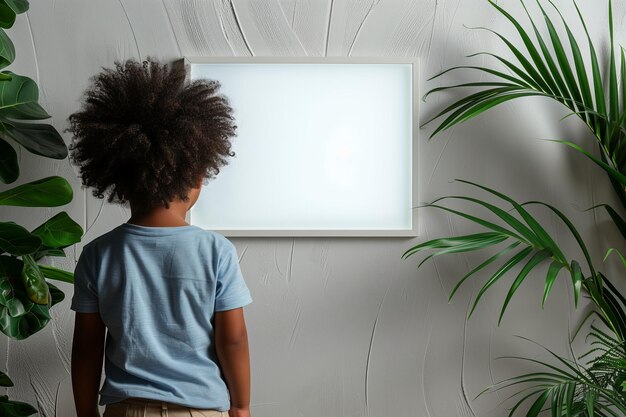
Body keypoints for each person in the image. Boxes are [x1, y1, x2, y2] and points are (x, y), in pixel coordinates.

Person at [66, 57, 252, 417]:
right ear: (198, 175)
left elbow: (87, 348)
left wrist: (86, 414)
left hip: (125, 411)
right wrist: (241, 406)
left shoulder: (97, 254)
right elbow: (233, 339)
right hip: (200, 411)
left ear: (116, 176)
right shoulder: (216, 252)